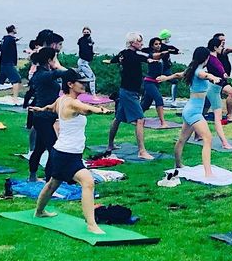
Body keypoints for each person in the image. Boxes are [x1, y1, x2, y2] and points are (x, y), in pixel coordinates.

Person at [32, 70, 112, 235]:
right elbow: (85, 108)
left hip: (64, 152)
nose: (83, 84)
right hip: (66, 154)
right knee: (88, 182)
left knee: (53, 184)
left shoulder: (61, 100)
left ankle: (39, 211)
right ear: (70, 84)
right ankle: (91, 225)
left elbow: (52, 107)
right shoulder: (71, 102)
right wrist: (102, 110)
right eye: (80, 82)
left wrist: (41, 109)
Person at [172, 47, 224, 177]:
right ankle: (208, 173)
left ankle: (178, 165)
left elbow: (179, 75)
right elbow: (205, 75)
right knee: (208, 139)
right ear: (206, 58)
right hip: (194, 113)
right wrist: (213, 78)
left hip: (189, 110)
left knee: (182, 139)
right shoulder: (199, 71)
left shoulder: (191, 69)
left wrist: (166, 77)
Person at [104, 33, 156, 160]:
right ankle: (142, 151)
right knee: (140, 119)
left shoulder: (123, 53)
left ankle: (110, 146)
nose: (141, 43)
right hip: (129, 93)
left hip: (125, 90)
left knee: (118, 118)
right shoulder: (134, 55)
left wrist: (109, 61)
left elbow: (116, 59)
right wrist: (151, 59)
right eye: (139, 41)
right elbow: (146, 57)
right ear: (132, 43)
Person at [23, 47, 66, 183]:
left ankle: (33, 176)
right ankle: (49, 181)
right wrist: (57, 66)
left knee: (40, 148)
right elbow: (70, 73)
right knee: (53, 148)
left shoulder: (44, 73)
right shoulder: (43, 75)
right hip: (42, 118)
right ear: (49, 60)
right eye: (54, 58)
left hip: (46, 117)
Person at [140, 36, 180, 126]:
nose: (158, 46)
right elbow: (158, 55)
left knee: (145, 104)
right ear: (152, 46)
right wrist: (167, 51)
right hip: (149, 82)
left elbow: (167, 54)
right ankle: (163, 123)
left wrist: (174, 51)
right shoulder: (152, 55)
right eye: (156, 44)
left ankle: (132, 116)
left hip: (155, 83)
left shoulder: (162, 56)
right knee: (159, 100)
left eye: (159, 44)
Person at [209, 32, 232, 122]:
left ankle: (203, 113)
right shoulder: (216, 51)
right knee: (231, 92)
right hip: (216, 80)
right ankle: (229, 115)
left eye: (224, 40)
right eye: (221, 40)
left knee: (210, 98)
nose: (223, 42)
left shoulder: (219, 50)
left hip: (222, 79)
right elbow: (227, 50)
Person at [0, 24, 21, 101]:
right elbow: (3, 47)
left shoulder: (5, 38)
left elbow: (0, 47)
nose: (16, 30)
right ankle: (15, 99)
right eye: (15, 29)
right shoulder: (10, 39)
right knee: (16, 80)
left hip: (4, 63)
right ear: (13, 30)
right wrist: (13, 40)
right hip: (7, 63)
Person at [76, 27, 97, 94]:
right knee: (92, 77)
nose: (86, 34)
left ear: (90, 33)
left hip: (84, 62)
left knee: (79, 77)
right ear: (82, 33)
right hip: (83, 62)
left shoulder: (89, 40)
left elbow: (89, 50)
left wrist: (93, 53)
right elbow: (84, 50)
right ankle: (93, 94)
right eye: (85, 32)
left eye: (87, 32)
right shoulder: (82, 40)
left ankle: (79, 90)